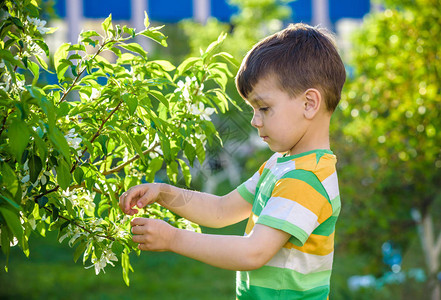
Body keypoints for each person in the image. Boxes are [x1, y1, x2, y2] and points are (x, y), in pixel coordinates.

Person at [119, 23, 346, 299]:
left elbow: (254, 252)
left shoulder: (306, 178)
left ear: (309, 104)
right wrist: (164, 193)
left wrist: (174, 238)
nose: (254, 120)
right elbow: (221, 210)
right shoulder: (281, 165)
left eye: (263, 108)